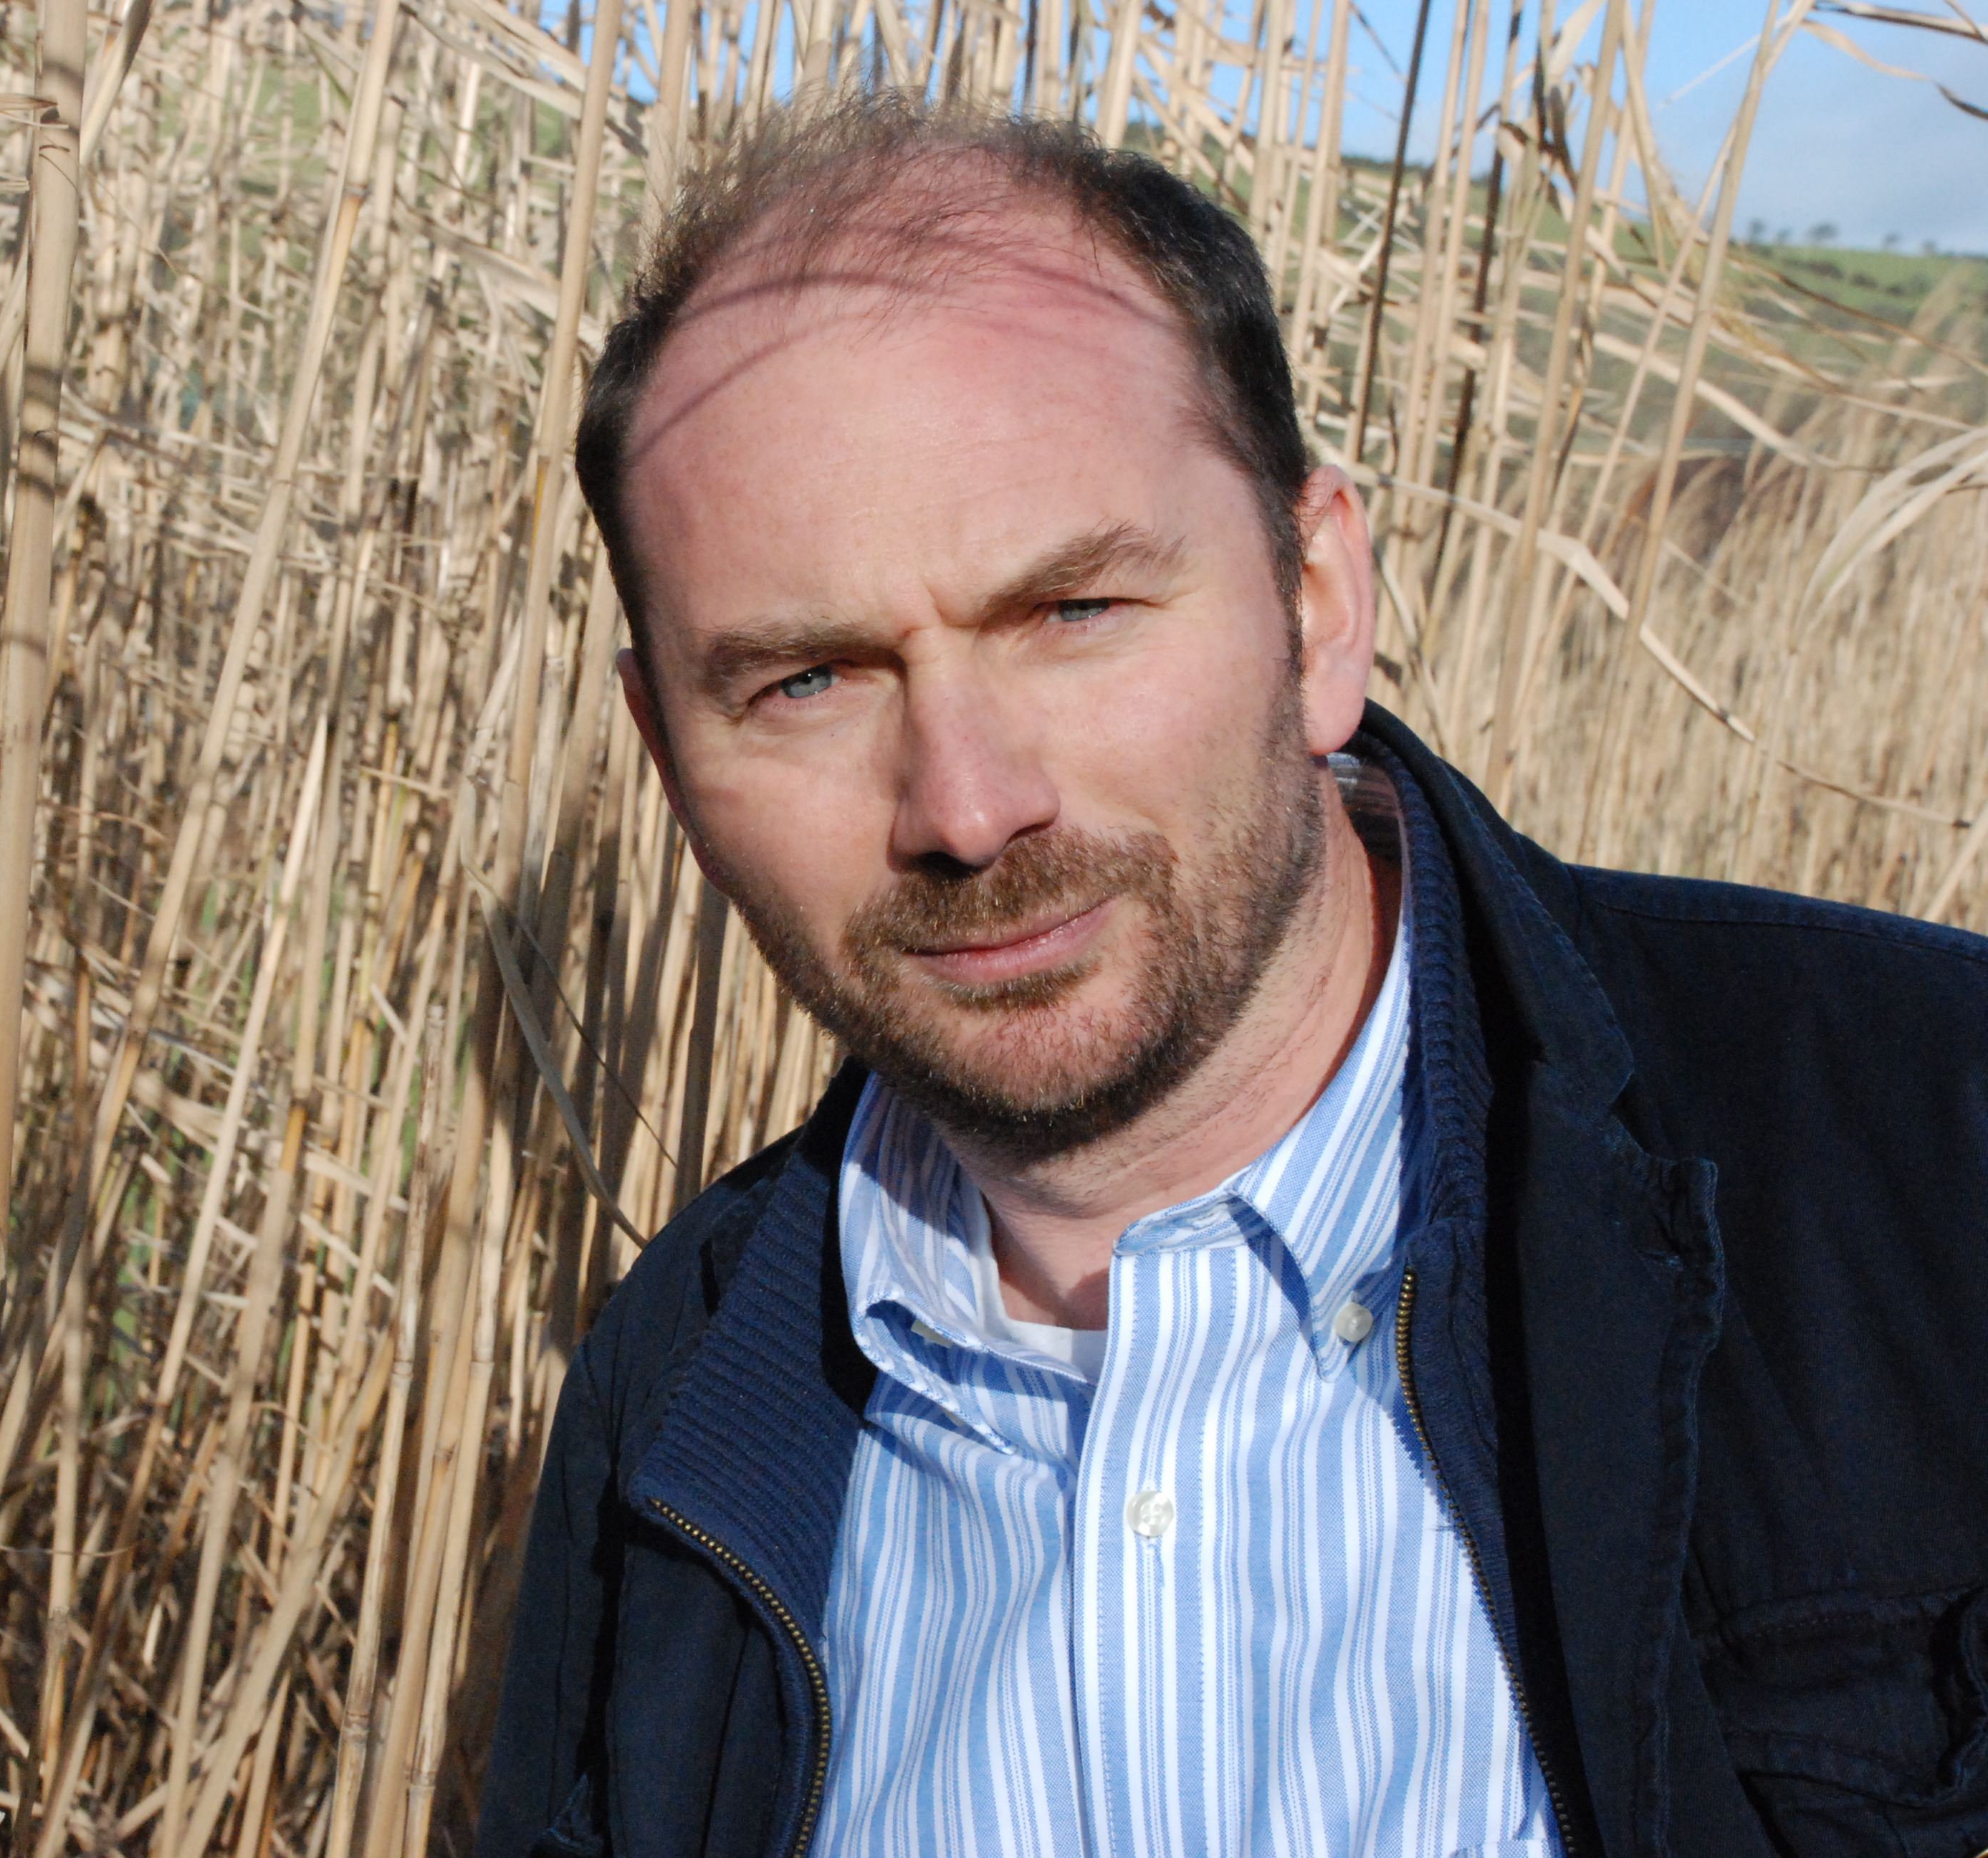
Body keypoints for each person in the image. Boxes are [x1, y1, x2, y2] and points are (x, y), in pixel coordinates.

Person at [474, 92, 1988, 1858]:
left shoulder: (1925, 1161)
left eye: (1073, 614)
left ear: (1317, 598)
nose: (967, 807)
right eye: (807, 681)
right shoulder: (680, 1396)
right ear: (667, 753)